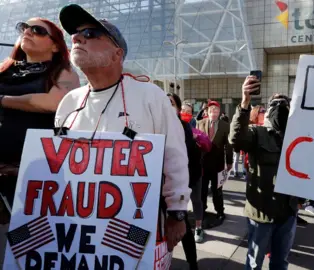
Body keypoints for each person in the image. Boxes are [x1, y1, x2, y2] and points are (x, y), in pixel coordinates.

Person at [55, 4, 190, 252]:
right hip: (75, 226)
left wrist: (177, 213)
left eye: (91, 34)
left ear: (117, 54)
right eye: (76, 34)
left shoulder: (150, 96)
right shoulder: (69, 102)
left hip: (132, 227)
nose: (76, 38)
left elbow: (174, 156)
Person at [0, 17, 79, 266]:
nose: (27, 32)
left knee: (31, 246)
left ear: (55, 45)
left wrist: (2, 99)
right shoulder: (4, 68)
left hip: (35, 177)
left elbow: (53, 103)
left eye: (37, 30)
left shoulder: (63, 72)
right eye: (24, 28)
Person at [230, 81, 298, 270]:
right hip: (261, 214)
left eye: (284, 104)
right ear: (268, 111)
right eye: (275, 104)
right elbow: (235, 138)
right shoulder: (257, 133)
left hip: (287, 214)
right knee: (254, 262)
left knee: (280, 262)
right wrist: (244, 103)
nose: (280, 108)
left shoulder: (298, 138)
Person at [167, 93, 201, 269]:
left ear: (178, 108)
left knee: (182, 225)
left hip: (176, 186)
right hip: (157, 187)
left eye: (171, 103)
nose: (167, 105)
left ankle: (192, 262)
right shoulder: (155, 124)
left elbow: (189, 158)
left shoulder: (183, 127)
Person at [196, 100, 232, 227]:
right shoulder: (199, 123)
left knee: (217, 190)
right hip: (203, 164)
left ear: (219, 112)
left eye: (216, 111)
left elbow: (228, 145)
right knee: (203, 189)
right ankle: (203, 210)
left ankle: (220, 211)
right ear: (208, 112)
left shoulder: (225, 125)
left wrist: (229, 161)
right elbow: (196, 143)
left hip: (218, 164)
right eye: (212, 111)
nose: (214, 113)